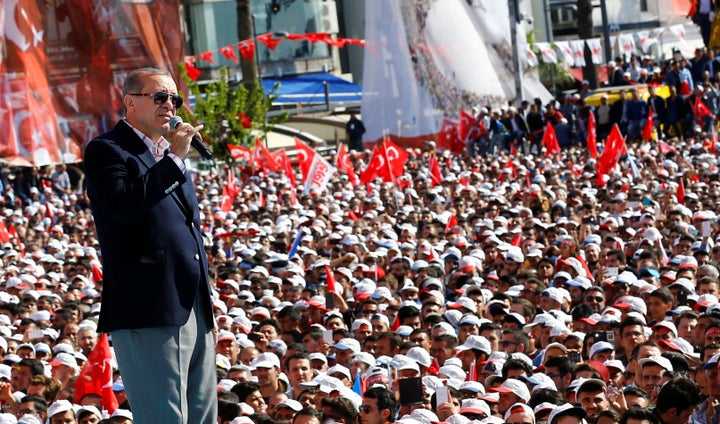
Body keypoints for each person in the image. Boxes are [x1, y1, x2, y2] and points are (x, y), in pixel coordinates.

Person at [83, 67, 216, 424]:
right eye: (159, 97)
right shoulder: (107, 150)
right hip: (149, 305)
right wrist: (174, 159)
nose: (170, 105)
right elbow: (126, 205)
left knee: (202, 416)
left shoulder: (168, 155)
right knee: (165, 418)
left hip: (193, 303)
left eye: (175, 98)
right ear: (130, 102)